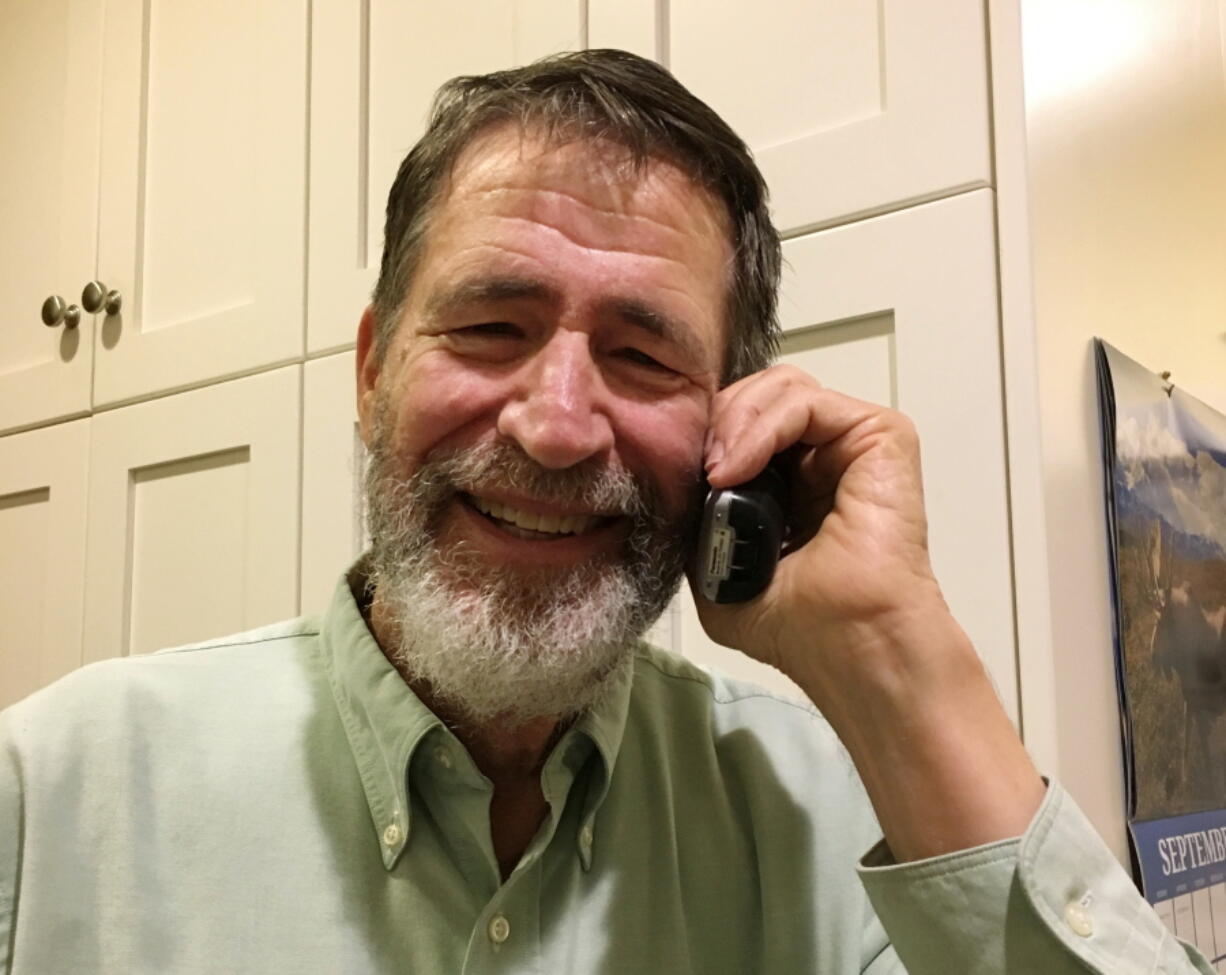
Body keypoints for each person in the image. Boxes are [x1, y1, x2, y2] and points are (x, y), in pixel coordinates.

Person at [0, 49, 1211, 974]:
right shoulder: (51, 790)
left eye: (641, 357)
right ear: (371, 372)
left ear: (735, 431)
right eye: (488, 329)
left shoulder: (837, 825)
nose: (555, 424)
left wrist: (898, 662)